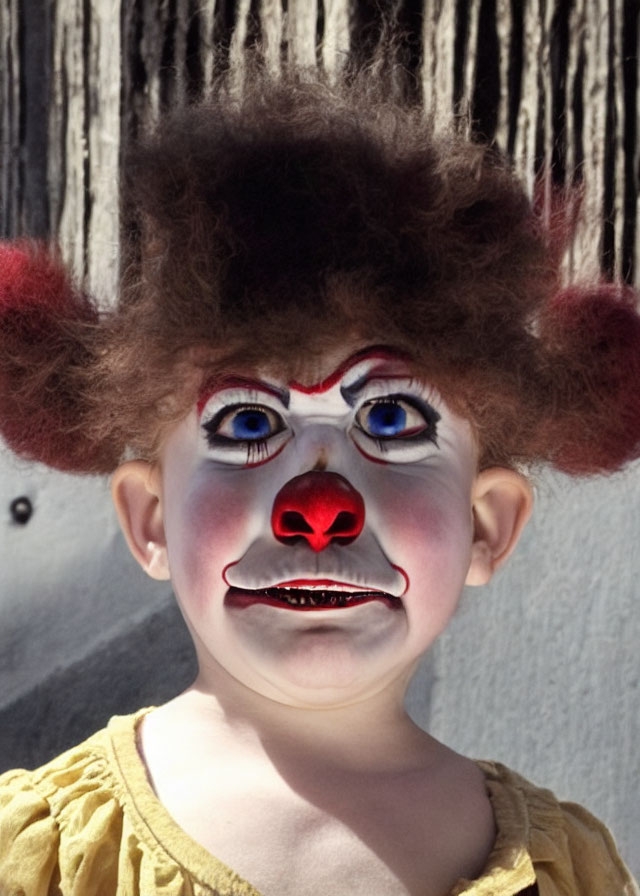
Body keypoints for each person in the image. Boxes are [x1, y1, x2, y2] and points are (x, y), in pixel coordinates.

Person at [0, 68, 638, 896]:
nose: (319, 513)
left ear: (487, 526)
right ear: (150, 517)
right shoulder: (41, 854)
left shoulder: (567, 873)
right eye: (247, 424)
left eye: (394, 421)